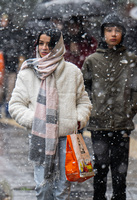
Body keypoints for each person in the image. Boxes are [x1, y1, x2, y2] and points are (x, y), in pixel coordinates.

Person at [9, 28, 92, 200]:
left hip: (67, 138)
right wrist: (36, 120)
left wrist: (77, 120)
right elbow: (15, 105)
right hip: (41, 137)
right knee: (43, 187)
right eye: (41, 43)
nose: (44, 48)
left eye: (50, 44)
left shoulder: (72, 72)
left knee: (63, 188)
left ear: (59, 46)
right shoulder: (28, 72)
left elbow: (84, 102)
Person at [82, 13, 137, 200]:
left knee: (120, 170)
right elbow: (83, 88)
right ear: (102, 34)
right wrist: (92, 108)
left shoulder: (130, 59)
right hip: (98, 124)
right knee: (100, 166)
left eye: (117, 30)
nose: (113, 34)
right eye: (109, 30)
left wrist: (129, 110)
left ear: (123, 33)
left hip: (122, 125)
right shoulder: (92, 61)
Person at [0, 13, 22, 118]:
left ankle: (8, 110)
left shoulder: (13, 34)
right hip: (2, 66)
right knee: (2, 90)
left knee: (9, 89)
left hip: (11, 66)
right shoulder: (2, 33)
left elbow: (17, 48)